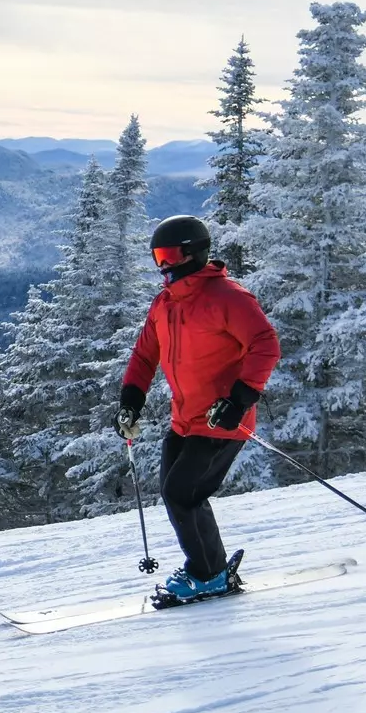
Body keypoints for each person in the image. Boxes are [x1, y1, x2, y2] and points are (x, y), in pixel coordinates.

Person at [116, 215, 281, 602]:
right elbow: (144, 355)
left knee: (182, 492)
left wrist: (239, 399)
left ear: (193, 253)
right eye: (158, 256)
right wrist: (130, 402)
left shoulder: (228, 297)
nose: (164, 265)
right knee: (175, 492)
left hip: (222, 420)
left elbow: (265, 344)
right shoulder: (165, 303)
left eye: (170, 255)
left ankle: (208, 574)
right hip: (185, 419)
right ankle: (211, 568)